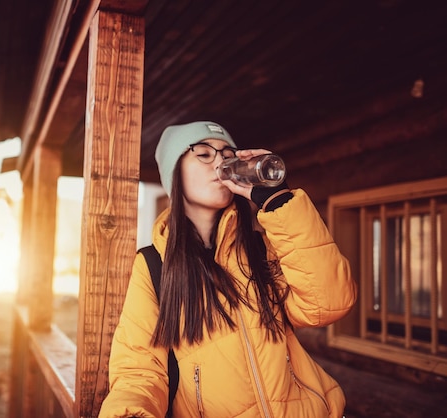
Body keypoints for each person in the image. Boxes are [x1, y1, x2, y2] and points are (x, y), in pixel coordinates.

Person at [98, 121, 357, 418]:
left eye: (227, 154)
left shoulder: (262, 249)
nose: (221, 161)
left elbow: (329, 304)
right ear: (174, 175)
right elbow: (139, 371)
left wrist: (279, 201)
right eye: (205, 154)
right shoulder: (154, 266)